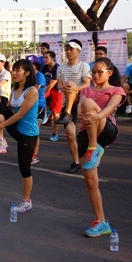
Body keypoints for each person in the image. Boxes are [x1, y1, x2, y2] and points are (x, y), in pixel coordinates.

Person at [77, 57, 126, 237]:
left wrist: (96, 117)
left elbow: (111, 107)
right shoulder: (87, 90)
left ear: (109, 73)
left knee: (90, 104)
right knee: (90, 181)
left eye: (100, 72)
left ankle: (94, 148)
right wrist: (82, 117)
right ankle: (101, 221)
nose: (96, 75)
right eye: (94, 73)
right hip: (86, 131)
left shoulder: (116, 90)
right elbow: (79, 109)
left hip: (106, 129)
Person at [0, 60, 40, 212]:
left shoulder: (32, 91)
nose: (14, 73)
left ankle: (27, 201)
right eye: (13, 70)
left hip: (28, 134)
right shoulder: (14, 89)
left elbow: (19, 115)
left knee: (24, 169)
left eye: (18, 70)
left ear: (27, 73)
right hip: (18, 129)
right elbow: (9, 110)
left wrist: (1, 126)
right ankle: (0, 140)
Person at [55, 39, 92, 174]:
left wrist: (74, 88)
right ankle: (76, 162)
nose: (68, 52)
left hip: (82, 102)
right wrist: (64, 87)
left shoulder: (84, 66)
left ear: (79, 51)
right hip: (67, 103)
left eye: (71, 49)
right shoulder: (61, 68)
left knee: (87, 135)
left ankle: (89, 158)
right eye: (67, 49)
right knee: (70, 134)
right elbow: (58, 84)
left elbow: (87, 84)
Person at [42, 51, 62, 140]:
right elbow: (41, 80)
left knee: (56, 113)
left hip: (57, 91)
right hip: (48, 89)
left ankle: (55, 133)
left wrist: (42, 94)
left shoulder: (57, 68)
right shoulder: (44, 68)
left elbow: (51, 85)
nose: (44, 59)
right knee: (36, 98)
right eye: (44, 57)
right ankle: (46, 110)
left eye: (46, 58)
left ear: (52, 58)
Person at [30, 61, 47, 164]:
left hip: (39, 105)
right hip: (29, 105)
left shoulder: (40, 76)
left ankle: (34, 156)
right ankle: (28, 154)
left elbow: (35, 90)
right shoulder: (29, 76)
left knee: (34, 131)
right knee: (29, 131)